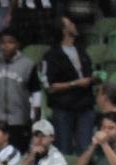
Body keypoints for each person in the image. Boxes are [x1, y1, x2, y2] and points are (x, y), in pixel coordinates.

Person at [40, 16, 99, 155]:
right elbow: (50, 86)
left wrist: (93, 79)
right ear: (63, 29)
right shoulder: (51, 56)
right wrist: (75, 83)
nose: (74, 25)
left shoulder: (81, 51)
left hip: (84, 105)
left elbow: (89, 72)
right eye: (70, 23)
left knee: (86, 148)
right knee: (63, 149)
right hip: (63, 107)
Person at [0, 27, 42, 151]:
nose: (6, 46)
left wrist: (36, 117)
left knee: (17, 157)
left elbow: (36, 92)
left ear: (18, 44)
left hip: (19, 121)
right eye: (2, 42)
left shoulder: (27, 64)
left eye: (10, 42)